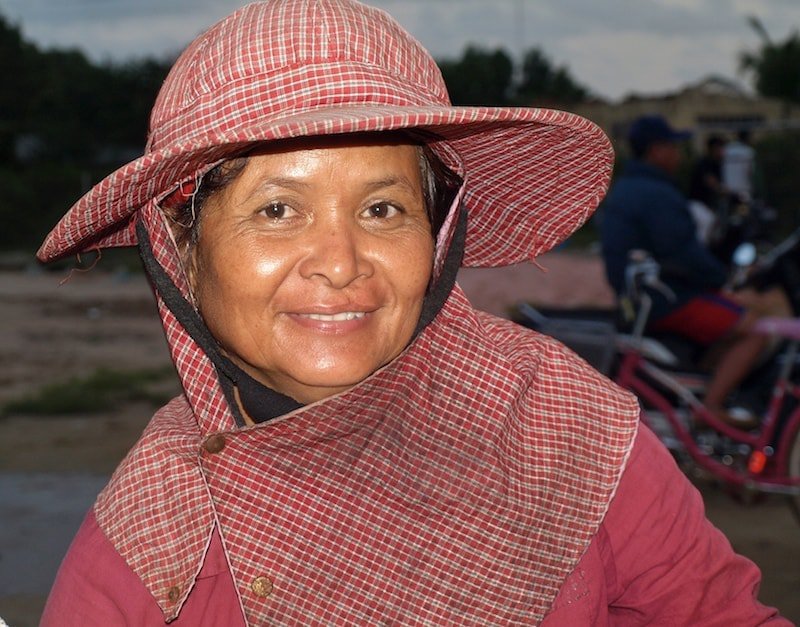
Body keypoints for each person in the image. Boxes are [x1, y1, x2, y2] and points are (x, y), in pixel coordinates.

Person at [37, 3, 791, 625]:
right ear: (181, 251)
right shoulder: (155, 530)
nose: (340, 260)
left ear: (438, 236)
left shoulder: (566, 429)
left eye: (383, 206)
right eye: (276, 208)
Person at [601, 114, 787, 427]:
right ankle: (711, 408)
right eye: (673, 147)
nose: (678, 154)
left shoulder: (627, 187)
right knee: (757, 329)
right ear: (656, 150)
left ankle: (704, 387)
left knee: (736, 312)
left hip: (639, 295)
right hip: (667, 297)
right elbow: (684, 254)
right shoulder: (657, 194)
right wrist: (724, 279)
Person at [722, 128, 757, 202]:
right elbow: (750, 172)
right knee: (745, 210)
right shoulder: (748, 151)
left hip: (727, 189)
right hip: (743, 189)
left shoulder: (728, 149)